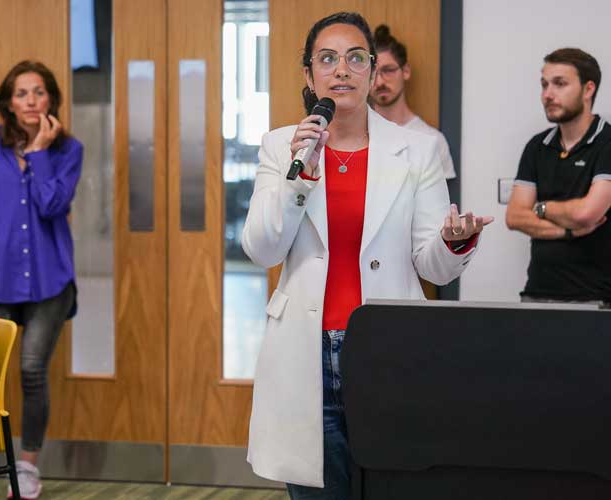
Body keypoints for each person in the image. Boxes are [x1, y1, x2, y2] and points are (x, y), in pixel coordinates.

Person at [242, 12, 492, 498]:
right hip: (305, 351)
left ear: (373, 71)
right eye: (327, 59)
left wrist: (454, 241)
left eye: (356, 58)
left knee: (392, 483)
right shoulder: (280, 147)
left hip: (385, 347)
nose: (341, 70)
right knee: (317, 489)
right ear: (309, 74)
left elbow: (431, 265)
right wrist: (301, 173)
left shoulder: (418, 151)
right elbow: (262, 248)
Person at [0, 60, 83, 499]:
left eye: (39, 92)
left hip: (50, 281)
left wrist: (37, 152)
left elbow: (53, 204)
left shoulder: (67, 150)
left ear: (51, 98)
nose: (32, 100)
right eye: (22, 93)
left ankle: (28, 466)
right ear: (8, 102)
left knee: (33, 370)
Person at [506, 48, 611, 305]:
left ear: (588, 89)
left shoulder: (607, 142)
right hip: (535, 295)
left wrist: (540, 208)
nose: (547, 95)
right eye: (544, 85)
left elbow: (588, 213)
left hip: (595, 299)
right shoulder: (537, 146)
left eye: (559, 84)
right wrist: (568, 232)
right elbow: (514, 216)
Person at [368, 24, 456, 180]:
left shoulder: (431, 140)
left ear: (406, 71)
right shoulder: (355, 137)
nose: (380, 81)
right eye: (373, 73)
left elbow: (442, 202)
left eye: (388, 70)